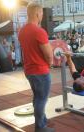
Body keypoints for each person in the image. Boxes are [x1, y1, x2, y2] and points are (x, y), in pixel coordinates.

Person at [18, 3, 54, 132]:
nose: (42, 17)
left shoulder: (21, 31)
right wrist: (50, 63)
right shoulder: (39, 31)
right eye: (42, 14)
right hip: (40, 71)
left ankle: (42, 121)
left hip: (29, 70)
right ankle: (40, 127)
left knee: (37, 97)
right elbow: (49, 54)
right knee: (41, 99)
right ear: (37, 13)